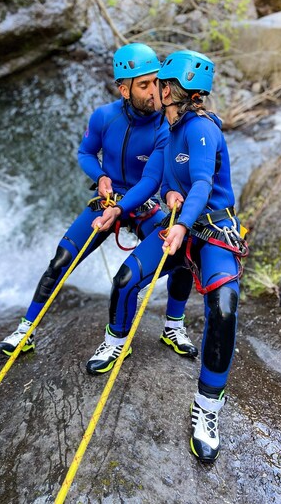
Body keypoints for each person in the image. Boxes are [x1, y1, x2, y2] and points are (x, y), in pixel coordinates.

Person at [0, 43, 197, 373]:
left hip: (142, 204)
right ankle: (25, 330)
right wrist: (101, 176)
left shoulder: (165, 125)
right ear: (124, 89)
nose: (155, 92)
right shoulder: (104, 117)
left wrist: (123, 207)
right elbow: (85, 152)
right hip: (108, 200)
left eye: (157, 82)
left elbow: (150, 179)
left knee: (182, 256)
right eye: (144, 85)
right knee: (61, 260)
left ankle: (173, 326)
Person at [92, 49, 247, 462]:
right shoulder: (169, 126)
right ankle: (115, 342)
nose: (154, 89)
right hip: (181, 224)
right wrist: (124, 208)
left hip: (211, 231)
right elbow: (154, 180)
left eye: (161, 83)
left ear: (173, 90)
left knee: (224, 307)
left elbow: (202, 183)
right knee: (126, 279)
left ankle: (208, 407)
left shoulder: (201, 130)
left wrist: (181, 224)